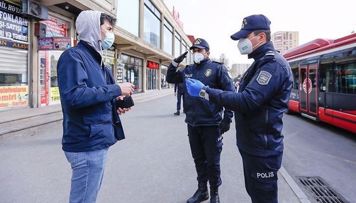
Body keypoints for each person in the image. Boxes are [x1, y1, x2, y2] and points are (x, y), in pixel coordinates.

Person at [185, 14, 293, 203]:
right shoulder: (260, 63)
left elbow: (247, 100)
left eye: (245, 36)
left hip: (262, 150)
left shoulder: (273, 65)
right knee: (255, 194)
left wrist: (204, 92)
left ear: (261, 37)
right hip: (253, 146)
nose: (241, 41)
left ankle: (213, 193)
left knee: (263, 198)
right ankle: (203, 191)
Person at [57, 11, 135, 203]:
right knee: (84, 199)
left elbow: (96, 95)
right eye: (108, 29)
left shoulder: (98, 60)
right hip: (86, 143)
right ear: (93, 27)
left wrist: (114, 104)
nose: (111, 34)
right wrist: (116, 88)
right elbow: (75, 97)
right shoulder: (73, 57)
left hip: (96, 140)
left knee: (88, 197)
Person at [166, 38, 235, 203]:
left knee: (212, 162)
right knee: (198, 160)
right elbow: (170, 78)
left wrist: (227, 118)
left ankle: (215, 193)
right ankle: (202, 191)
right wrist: (176, 62)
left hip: (211, 124)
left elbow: (230, 93)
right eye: (194, 50)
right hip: (193, 123)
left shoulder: (217, 69)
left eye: (199, 50)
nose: (196, 53)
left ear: (207, 52)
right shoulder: (188, 69)